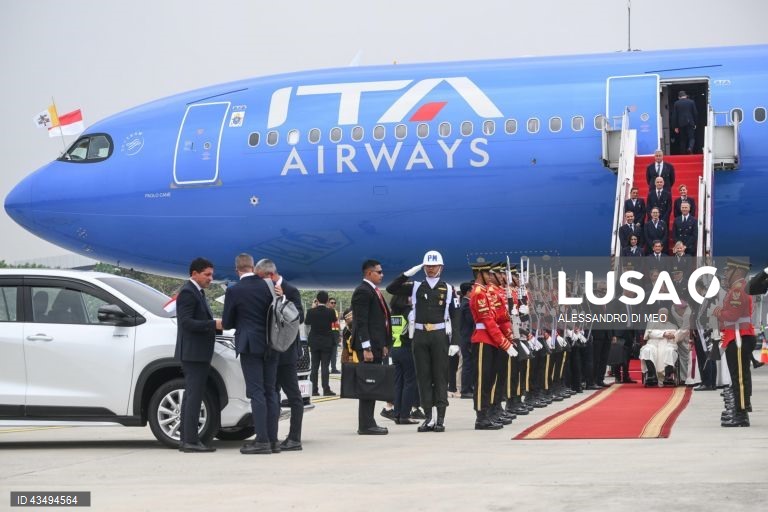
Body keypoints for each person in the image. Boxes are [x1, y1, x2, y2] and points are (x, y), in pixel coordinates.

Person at [386, 250, 458, 432]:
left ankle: (440, 418)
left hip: (439, 335)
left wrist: (456, 341)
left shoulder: (449, 289)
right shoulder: (416, 286)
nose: (430, 269)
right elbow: (391, 288)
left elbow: (455, 317)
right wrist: (410, 272)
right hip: (419, 336)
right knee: (423, 377)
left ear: (440, 267)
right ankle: (428, 418)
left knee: (440, 377)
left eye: (434, 266)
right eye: (427, 266)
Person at [221, 253, 279, 454]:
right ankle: (273, 440)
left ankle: (261, 441)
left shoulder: (234, 290)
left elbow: (227, 322)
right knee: (271, 391)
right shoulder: (268, 286)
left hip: (249, 344)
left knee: (256, 392)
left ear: (237, 270)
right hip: (271, 344)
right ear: (253, 267)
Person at [174, 257, 222, 453]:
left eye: (211, 274)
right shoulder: (188, 292)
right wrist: (213, 324)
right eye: (207, 274)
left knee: (192, 396)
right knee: (194, 396)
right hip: (194, 354)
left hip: (198, 352)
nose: (211, 278)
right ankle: (190, 441)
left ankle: (187, 439)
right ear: (194, 273)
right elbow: (186, 323)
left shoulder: (197, 292)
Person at [256, 258, 304, 451]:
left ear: (270, 275)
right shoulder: (264, 290)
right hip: (270, 352)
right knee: (272, 393)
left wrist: (283, 300)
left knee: (293, 395)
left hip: (286, 352)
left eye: (260, 278)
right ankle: (270, 436)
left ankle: (294, 437)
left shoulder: (290, 290)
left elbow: (299, 317)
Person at [468, 262, 517, 429]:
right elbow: (487, 321)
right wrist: (504, 342)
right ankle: (481, 417)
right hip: (483, 339)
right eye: (487, 272)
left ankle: (488, 413)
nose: (490, 275)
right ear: (479, 273)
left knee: (490, 378)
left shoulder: (486, 292)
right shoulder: (479, 293)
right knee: (482, 379)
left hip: (491, 339)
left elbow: (499, 317)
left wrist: (508, 337)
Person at [350, 259, 391, 435]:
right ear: (369, 273)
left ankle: (369, 421)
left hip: (375, 345)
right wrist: (366, 348)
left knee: (373, 384)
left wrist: (383, 344)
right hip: (368, 347)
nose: (382, 275)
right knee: (369, 384)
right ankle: (366, 424)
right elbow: (362, 322)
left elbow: (379, 322)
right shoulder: (363, 291)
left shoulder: (373, 291)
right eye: (379, 272)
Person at [714, 258, 755, 427]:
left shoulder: (737, 291)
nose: (725, 273)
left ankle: (741, 414)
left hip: (739, 337)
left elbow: (733, 315)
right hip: (736, 335)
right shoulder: (737, 289)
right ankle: (740, 409)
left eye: (728, 270)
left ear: (737, 271)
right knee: (738, 376)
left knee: (739, 378)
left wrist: (719, 313)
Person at [387, 295, 419, 425]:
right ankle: (405, 415)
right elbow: (412, 332)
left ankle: (397, 414)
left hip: (395, 349)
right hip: (407, 349)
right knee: (409, 383)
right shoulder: (409, 312)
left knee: (398, 383)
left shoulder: (393, 313)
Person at [304, 291, 338, 397]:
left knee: (314, 366)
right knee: (325, 366)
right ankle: (326, 389)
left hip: (314, 341)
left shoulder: (310, 311)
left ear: (317, 300)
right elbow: (334, 320)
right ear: (327, 300)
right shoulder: (331, 312)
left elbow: (307, 322)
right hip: (327, 341)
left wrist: (314, 307)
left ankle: (314, 389)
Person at [640, 308, 681, 386]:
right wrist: (663, 334)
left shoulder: (672, 325)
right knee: (647, 350)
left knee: (670, 351)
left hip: (667, 344)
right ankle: (652, 375)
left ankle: (668, 376)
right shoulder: (652, 323)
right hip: (653, 344)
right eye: (661, 314)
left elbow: (675, 335)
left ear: (668, 316)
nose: (663, 316)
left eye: (665, 314)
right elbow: (650, 333)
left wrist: (672, 335)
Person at [458, 282, 475, 399]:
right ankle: (465, 389)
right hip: (467, 338)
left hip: (467, 337)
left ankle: (469, 387)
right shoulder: (467, 304)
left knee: (469, 364)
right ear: (468, 292)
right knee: (467, 364)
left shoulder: (465, 303)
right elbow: (471, 321)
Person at [328, 297, 341, 374]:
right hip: (329, 333)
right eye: (332, 302)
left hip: (335, 333)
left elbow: (338, 324)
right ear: (328, 303)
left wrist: (339, 335)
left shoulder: (336, 311)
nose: (333, 304)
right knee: (327, 352)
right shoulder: (326, 311)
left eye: (334, 303)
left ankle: (334, 368)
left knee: (334, 351)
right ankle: (325, 368)